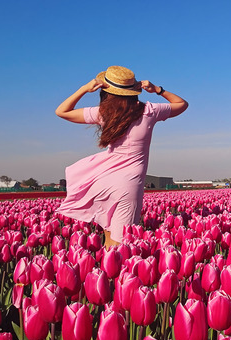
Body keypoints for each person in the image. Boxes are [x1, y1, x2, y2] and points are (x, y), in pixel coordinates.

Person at [55, 66, 188, 247]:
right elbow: (182, 104)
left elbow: (62, 111)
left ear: (106, 91)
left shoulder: (104, 113)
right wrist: (158, 90)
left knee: (109, 240)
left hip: (104, 179)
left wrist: (85, 88)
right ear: (134, 90)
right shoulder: (149, 111)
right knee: (120, 246)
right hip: (129, 184)